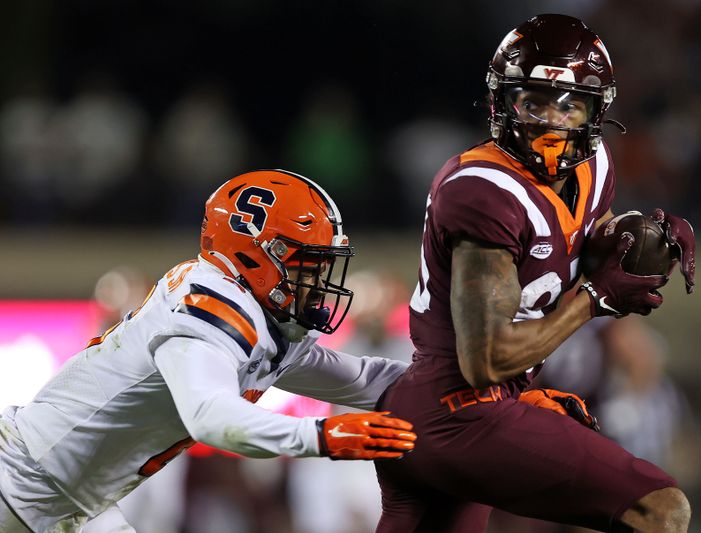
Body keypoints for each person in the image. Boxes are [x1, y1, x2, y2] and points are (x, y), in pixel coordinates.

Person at [375, 14, 696, 532]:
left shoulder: (595, 167)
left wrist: (647, 239)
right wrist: (592, 300)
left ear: (596, 111)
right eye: (535, 101)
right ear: (504, 103)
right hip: (458, 410)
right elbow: (487, 359)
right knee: (660, 508)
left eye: (569, 105)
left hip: (450, 413)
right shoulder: (483, 189)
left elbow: (596, 241)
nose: (552, 120)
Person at [0, 169, 417, 533]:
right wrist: (319, 437)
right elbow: (210, 418)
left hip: (74, 498)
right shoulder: (209, 311)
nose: (316, 285)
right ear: (259, 258)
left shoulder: (262, 319)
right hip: (22, 481)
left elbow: (362, 380)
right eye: (307, 267)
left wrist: (460, 382)